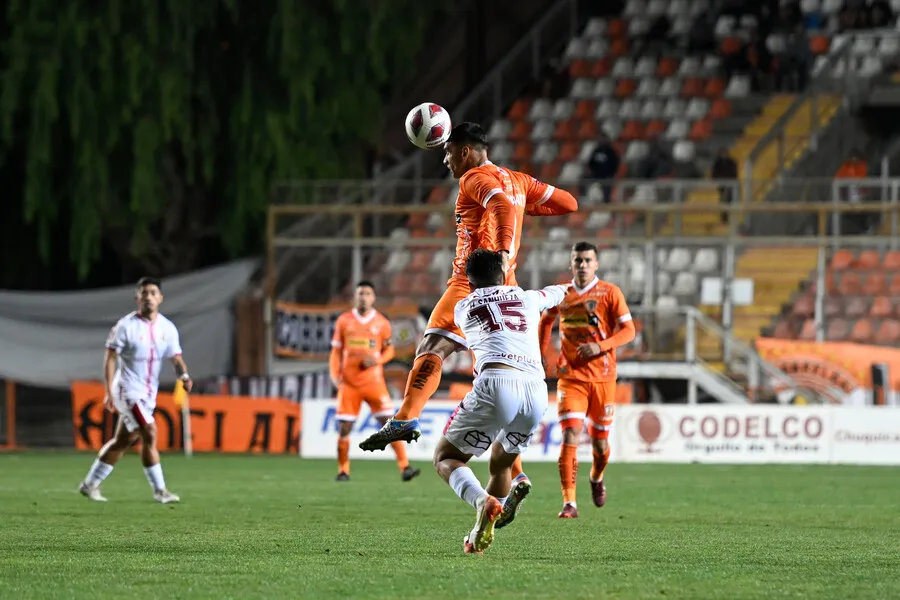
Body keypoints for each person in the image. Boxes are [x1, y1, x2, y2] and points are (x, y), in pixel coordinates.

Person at [359, 122, 578, 452]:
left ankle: (405, 417)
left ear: (464, 151)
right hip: (509, 288)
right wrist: (523, 208)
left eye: (448, 153)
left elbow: (501, 207)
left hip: (471, 282)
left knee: (433, 346)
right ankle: (513, 474)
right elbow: (568, 203)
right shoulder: (518, 180)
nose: (446, 160)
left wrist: (503, 250)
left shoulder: (473, 178)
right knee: (497, 369)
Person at [432, 249, 566, 553]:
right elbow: (557, 293)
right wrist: (570, 290)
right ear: (504, 272)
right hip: (535, 389)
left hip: (497, 382)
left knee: (445, 458)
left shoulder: (462, 306)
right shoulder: (528, 298)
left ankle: (483, 501)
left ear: (469, 281)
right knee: (501, 465)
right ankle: (480, 532)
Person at [537, 242, 636, 518]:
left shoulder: (610, 292)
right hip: (571, 378)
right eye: (577, 260)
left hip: (603, 378)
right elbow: (545, 321)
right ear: (571, 264)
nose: (582, 264)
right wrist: (542, 354)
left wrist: (601, 346)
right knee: (570, 434)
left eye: (587, 260)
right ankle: (570, 503)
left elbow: (629, 331)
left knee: (600, 444)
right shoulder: (562, 293)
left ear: (596, 264)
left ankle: (596, 477)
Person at [78, 277, 190, 504]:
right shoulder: (125, 326)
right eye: (144, 293)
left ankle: (89, 484)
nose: (148, 296)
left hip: (148, 392)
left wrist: (184, 375)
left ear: (160, 298)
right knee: (149, 431)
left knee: (123, 440)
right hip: (127, 390)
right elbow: (110, 358)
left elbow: (175, 357)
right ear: (137, 298)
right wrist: (109, 391)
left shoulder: (167, 328)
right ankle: (160, 491)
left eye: (153, 292)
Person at [329, 281, 420, 482]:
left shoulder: (381, 323)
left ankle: (405, 467)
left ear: (373, 297)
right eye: (360, 293)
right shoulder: (344, 321)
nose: (363, 297)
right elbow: (336, 351)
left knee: (389, 424)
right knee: (344, 427)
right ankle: (343, 470)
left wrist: (377, 359)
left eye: (367, 293)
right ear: (355, 297)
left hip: (374, 383)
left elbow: (390, 350)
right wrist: (334, 375)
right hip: (349, 384)